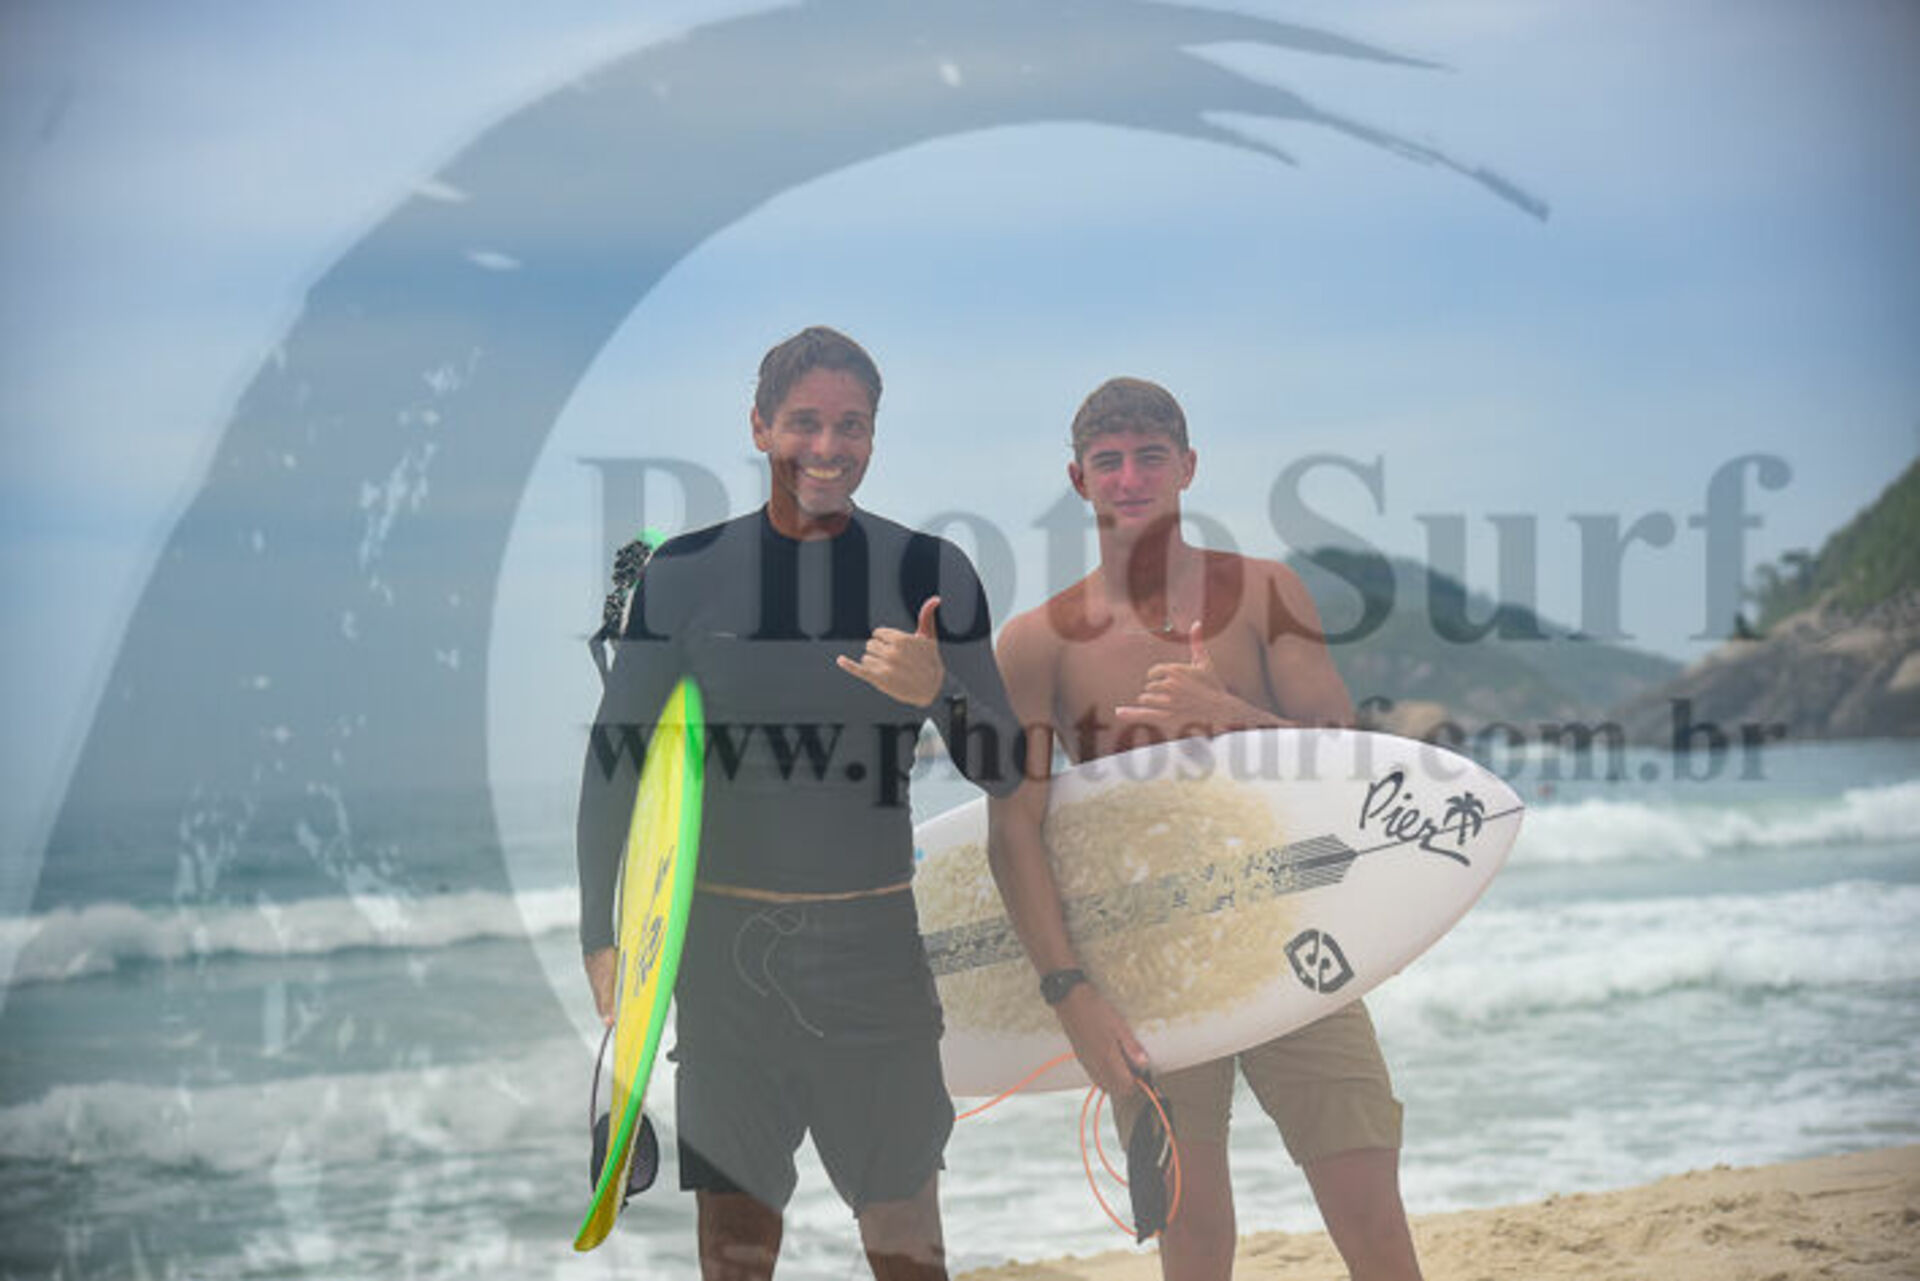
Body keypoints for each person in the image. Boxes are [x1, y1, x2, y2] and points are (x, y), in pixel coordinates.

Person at [577, 327, 1024, 1280]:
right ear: (760, 426)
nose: (828, 446)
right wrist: (598, 934)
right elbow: (617, 761)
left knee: (908, 1247)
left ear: (874, 434)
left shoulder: (929, 573)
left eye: (851, 425)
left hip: (874, 957)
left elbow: (1008, 768)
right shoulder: (686, 575)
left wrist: (938, 691)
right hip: (724, 969)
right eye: (805, 422)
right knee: (735, 1253)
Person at [986, 378, 1423, 1281]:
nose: (1130, 477)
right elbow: (1015, 829)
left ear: (1188, 466)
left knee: (1372, 1215)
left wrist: (1232, 717)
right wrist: (1070, 992)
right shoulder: (1037, 641)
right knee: (1191, 1238)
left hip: (1291, 932)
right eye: (1109, 460)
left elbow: (1349, 763)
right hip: (1144, 959)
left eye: (1151, 456)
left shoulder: (1264, 593)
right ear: (1078, 479)